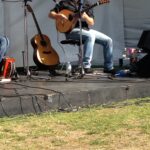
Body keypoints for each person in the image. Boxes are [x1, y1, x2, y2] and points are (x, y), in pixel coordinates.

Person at [49, 0, 115, 74]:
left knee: (108, 40)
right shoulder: (64, 3)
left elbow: (91, 22)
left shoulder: (87, 4)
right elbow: (51, 14)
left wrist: (86, 17)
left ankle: (108, 67)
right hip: (71, 31)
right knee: (90, 36)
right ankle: (86, 66)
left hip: (86, 30)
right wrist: (58, 16)